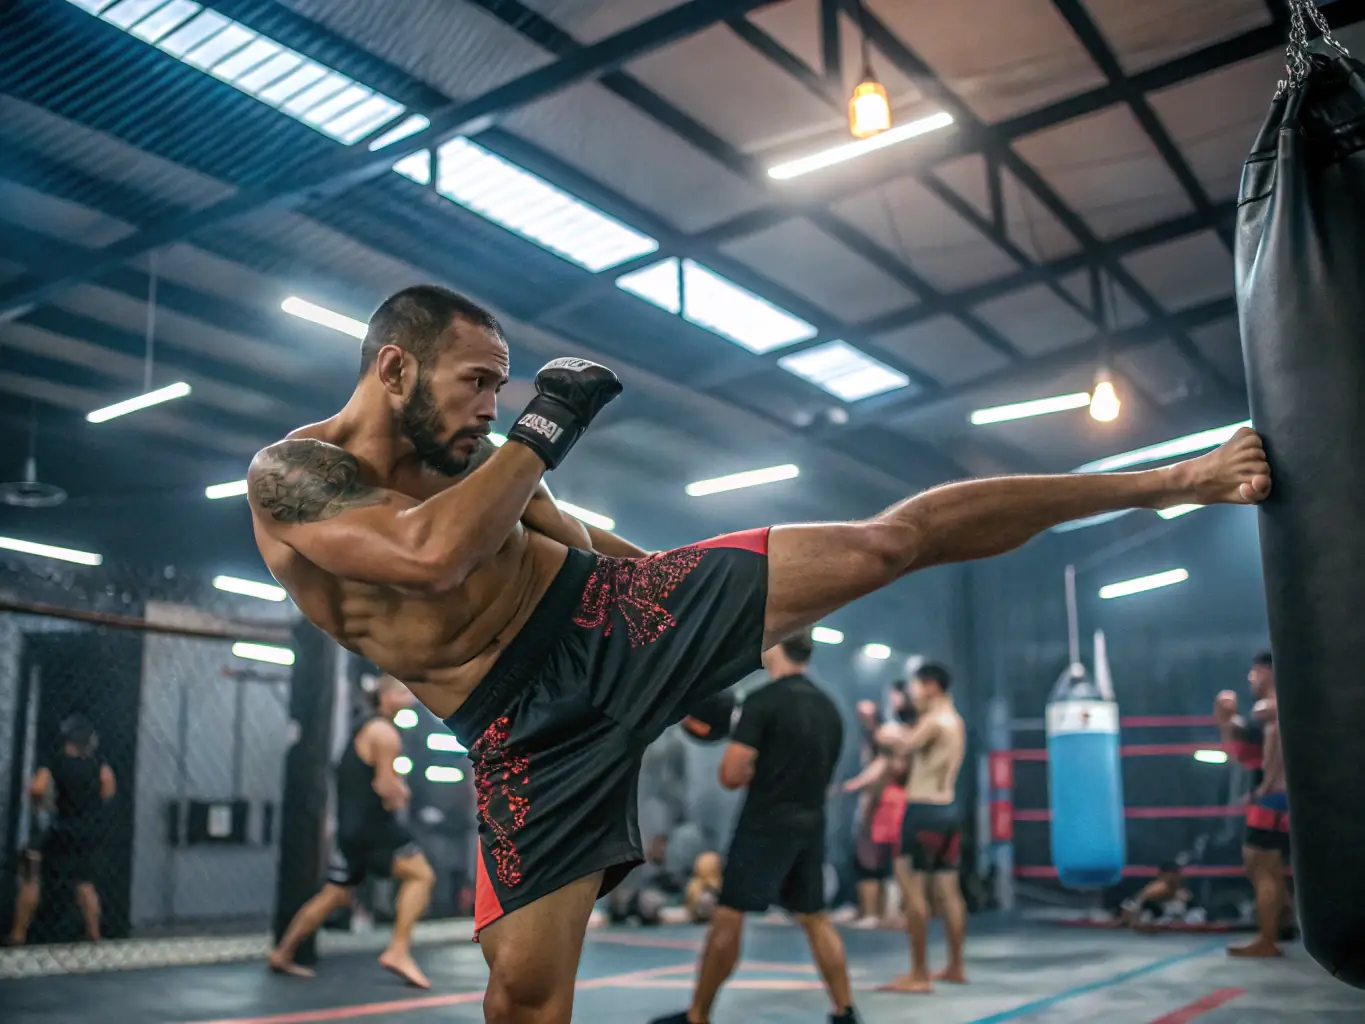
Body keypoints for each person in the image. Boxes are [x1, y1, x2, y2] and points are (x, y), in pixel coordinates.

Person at [244, 283, 1271, 1023]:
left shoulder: (481, 457)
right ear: (394, 366)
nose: (490, 410)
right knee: (522, 998)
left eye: (504, 393)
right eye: (477, 384)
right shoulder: (296, 476)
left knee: (887, 541)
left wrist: (694, 647)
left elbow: (576, 539)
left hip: (611, 616)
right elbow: (426, 556)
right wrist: (548, 424)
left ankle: (1173, 473)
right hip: (519, 733)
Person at [651, 632, 854, 1024]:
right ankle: (845, 1011)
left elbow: (730, 773)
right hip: (810, 824)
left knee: (728, 917)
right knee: (815, 918)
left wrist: (760, 769)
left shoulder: (763, 702)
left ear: (776, 646)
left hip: (764, 825)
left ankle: (697, 1015)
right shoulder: (830, 707)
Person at [269, 675, 437, 987]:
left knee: (335, 894)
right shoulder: (386, 733)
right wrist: (401, 792)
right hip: (373, 828)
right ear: (385, 698)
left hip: (350, 828)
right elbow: (386, 788)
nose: (411, 698)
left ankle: (283, 952)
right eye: (403, 692)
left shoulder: (365, 727)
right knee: (421, 875)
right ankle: (399, 950)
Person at [879, 662, 968, 994]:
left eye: (915, 687)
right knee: (949, 893)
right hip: (948, 810)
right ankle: (956, 966)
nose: (912, 695)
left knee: (912, 893)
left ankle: (918, 974)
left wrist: (885, 731)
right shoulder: (955, 720)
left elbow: (904, 745)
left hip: (922, 812)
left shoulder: (934, 721)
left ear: (931, 686)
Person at [7, 714, 114, 945]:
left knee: (31, 875)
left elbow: (37, 788)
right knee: (84, 883)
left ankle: (18, 934)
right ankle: (94, 934)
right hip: (86, 829)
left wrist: (46, 805)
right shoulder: (98, 764)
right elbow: (108, 788)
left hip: (59, 826)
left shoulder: (55, 762)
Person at [1215, 651, 1290, 958]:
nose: (1249, 678)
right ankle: (1281, 924)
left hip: (1273, 797)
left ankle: (1268, 939)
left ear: (1267, 672)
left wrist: (1266, 786)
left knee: (1262, 864)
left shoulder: (1270, 707)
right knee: (1262, 864)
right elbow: (1243, 753)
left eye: (1254, 672)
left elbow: (1278, 748)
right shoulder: (1271, 709)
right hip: (1274, 794)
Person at [1118, 862, 1192, 928]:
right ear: (1163, 875)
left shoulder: (1182, 893)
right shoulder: (1154, 889)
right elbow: (1132, 907)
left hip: (1173, 926)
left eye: (1177, 875)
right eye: (1172, 874)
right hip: (1146, 924)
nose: (1175, 878)